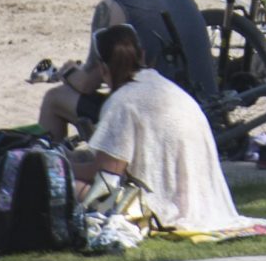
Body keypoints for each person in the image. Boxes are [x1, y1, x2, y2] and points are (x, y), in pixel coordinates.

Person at [38, 0, 218, 144]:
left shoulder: (112, 7)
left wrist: (68, 71)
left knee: (55, 99)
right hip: (204, 115)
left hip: (160, 125)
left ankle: (53, 171)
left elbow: (87, 84)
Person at [73, 26, 251, 233]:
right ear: (143, 55)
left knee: (63, 184)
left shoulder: (121, 101)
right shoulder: (165, 87)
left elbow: (106, 176)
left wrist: (64, 164)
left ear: (103, 69)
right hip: (205, 202)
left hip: (163, 209)